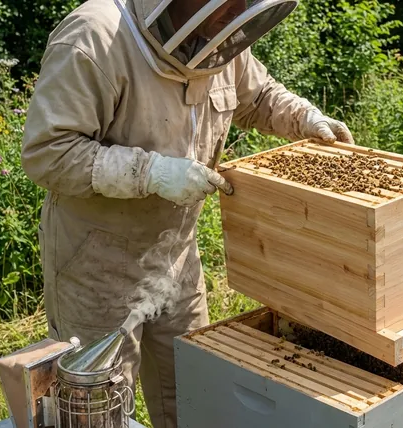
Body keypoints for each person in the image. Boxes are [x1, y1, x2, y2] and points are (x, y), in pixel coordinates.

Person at [20, 0, 354, 426]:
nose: (229, 18)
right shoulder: (94, 38)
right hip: (95, 263)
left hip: (177, 257)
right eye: (224, 6)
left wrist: (304, 116)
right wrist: (151, 173)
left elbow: (259, 96)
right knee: (96, 405)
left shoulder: (220, 39)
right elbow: (48, 153)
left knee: (194, 389)